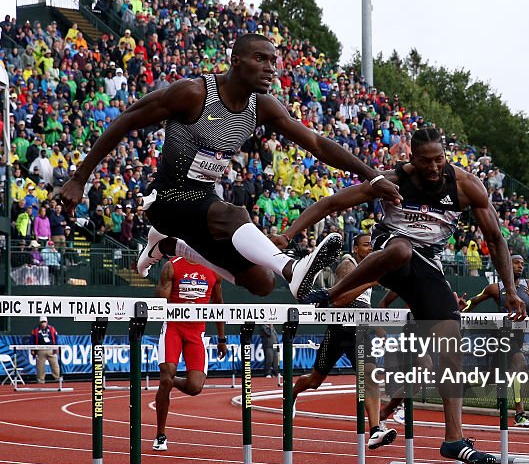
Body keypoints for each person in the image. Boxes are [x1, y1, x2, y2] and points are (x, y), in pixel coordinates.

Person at [58, 33, 402, 303]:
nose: (270, 68)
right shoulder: (193, 94)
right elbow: (125, 121)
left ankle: (166, 247)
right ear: (235, 61)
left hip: (202, 209)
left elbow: (317, 143)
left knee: (261, 283)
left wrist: (371, 175)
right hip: (169, 200)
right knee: (236, 214)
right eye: (260, 59)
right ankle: (293, 267)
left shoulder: (263, 106)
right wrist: (79, 178)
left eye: (274, 61)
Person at [272, 127, 527, 464]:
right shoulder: (392, 180)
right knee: (402, 250)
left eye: (439, 160)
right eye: (426, 162)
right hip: (389, 252)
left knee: (451, 345)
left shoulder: (466, 186)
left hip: (427, 267)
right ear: (411, 159)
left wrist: (510, 291)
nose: (434, 168)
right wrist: (288, 235)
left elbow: (495, 239)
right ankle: (330, 296)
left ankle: (453, 440)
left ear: (446, 156)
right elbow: (333, 202)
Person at [287, 233, 397, 450]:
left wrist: (378, 327)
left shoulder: (371, 267)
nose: (370, 249)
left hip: (361, 331)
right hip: (339, 331)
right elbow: (339, 300)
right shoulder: (348, 265)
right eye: (366, 246)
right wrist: (370, 283)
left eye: (372, 246)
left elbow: (364, 305)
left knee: (370, 376)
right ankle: (291, 393)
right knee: (315, 381)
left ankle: (375, 430)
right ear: (356, 248)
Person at [458, 254, 529, 427]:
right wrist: (462, 308)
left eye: (522, 264)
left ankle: (465, 383)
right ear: (507, 264)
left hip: (519, 336)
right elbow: (474, 301)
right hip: (500, 335)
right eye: (516, 263)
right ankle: (520, 413)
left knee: (493, 377)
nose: (520, 266)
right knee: (519, 364)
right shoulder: (496, 288)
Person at [153, 256, 226, 451]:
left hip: (196, 332)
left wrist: (221, 339)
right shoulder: (172, 266)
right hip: (173, 329)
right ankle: (161, 434)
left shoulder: (214, 270)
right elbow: (160, 303)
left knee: (195, 387)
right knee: (166, 373)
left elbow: (219, 306)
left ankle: (168, 380)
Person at [30, 316, 61, 383]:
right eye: (42, 322)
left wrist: (56, 347)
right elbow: (32, 340)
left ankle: (57, 377)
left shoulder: (52, 329)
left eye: (44, 322)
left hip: (51, 349)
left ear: (47, 322)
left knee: (55, 364)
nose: (43, 323)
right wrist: (32, 349)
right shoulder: (35, 330)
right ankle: (41, 379)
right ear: (39, 322)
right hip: (40, 349)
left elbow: (56, 338)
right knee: (40, 366)